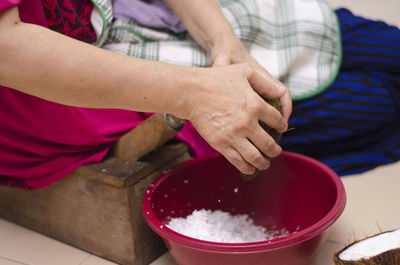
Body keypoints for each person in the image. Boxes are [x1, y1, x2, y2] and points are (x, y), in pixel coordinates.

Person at [0, 0, 399, 189]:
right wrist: (195, 94)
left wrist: (227, 46)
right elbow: (7, 47)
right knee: (381, 107)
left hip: (137, 13)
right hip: (62, 89)